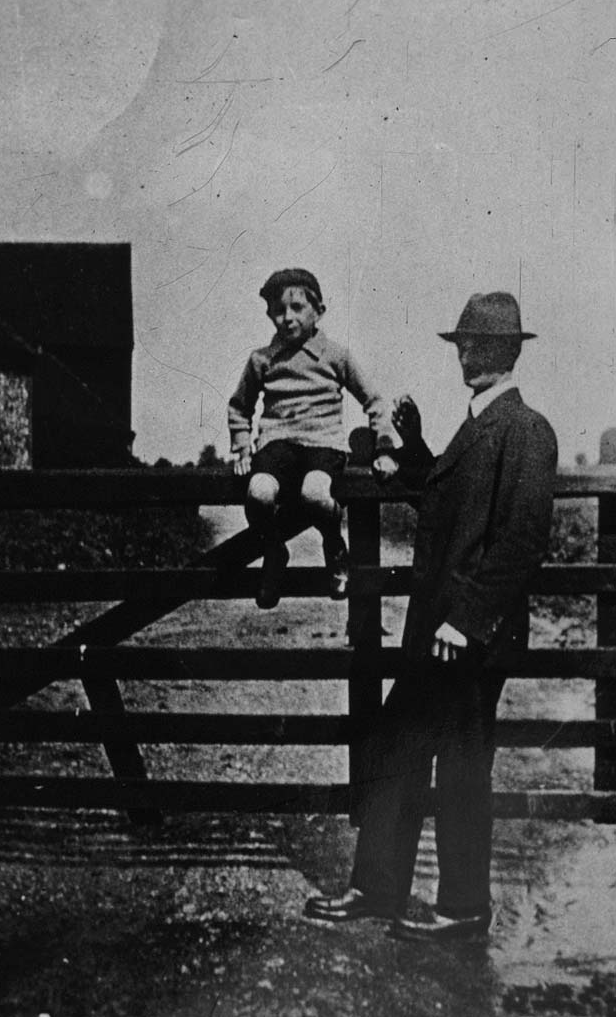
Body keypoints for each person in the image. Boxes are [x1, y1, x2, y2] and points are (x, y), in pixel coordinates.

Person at [303, 291, 558, 940]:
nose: (466, 354)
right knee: (395, 745)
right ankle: (377, 888)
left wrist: (467, 619)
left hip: (469, 638)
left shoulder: (525, 429)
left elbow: (520, 539)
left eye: (478, 344)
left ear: (507, 352)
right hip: (437, 635)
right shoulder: (474, 427)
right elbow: (445, 496)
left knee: (463, 765)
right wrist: (412, 449)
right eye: (462, 344)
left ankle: (464, 909)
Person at [228, 267, 397, 608]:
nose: (287, 318)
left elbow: (374, 401)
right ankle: (274, 552)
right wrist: (242, 445)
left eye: (297, 308)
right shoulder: (261, 360)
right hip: (277, 442)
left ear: (318, 311)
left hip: (323, 443)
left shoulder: (335, 355)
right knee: (259, 494)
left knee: (315, 494)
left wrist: (384, 447)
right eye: (279, 310)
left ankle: (334, 546)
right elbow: (239, 406)